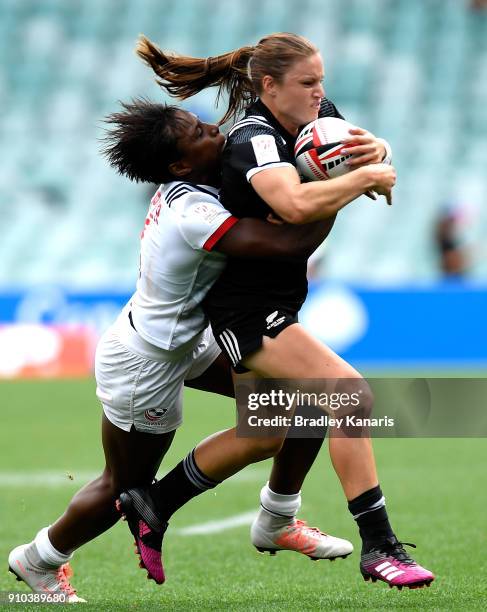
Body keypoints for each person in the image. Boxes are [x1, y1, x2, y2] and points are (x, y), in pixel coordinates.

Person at [8, 99, 356, 603]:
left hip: (192, 339)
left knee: (304, 400)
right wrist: (339, 184)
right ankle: (39, 559)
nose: (213, 128)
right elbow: (286, 246)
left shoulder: (207, 182)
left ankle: (278, 518)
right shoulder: (192, 210)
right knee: (124, 489)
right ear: (179, 164)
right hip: (146, 361)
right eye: (197, 130)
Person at [121, 33, 435, 590]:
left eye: (321, 80)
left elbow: (365, 148)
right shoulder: (252, 139)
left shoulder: (318, 116)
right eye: (307, 83)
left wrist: (378, 149)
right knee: (348, 393)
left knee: (271, 428)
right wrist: (365, 176)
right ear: (269, 86)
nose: (321, 93)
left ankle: (157, 501)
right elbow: (291, 203)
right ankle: (380, 546)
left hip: (278, 297)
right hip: (244, 309)